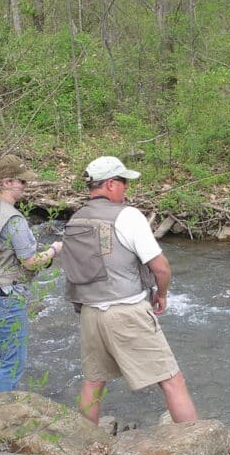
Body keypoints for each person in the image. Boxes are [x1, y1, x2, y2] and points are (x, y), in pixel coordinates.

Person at [59, 155, 198, 425]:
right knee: (172, 380)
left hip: (90, 314)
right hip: (126, 311)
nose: (126, 188)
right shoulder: (128, 216)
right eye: (124, 182)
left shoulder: (76, 219)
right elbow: (161, 269)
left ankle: (85, 442)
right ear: (110, 184)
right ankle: (195, 442)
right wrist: (161, 294)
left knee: (93, 382)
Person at [0, 154, 62, 395]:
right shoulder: (13, 220)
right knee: (12, 363)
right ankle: (0, 413)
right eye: (21, 181)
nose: (25, 185)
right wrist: (54, 251)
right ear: (6, 182)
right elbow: (31, 262)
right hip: (5, 296)